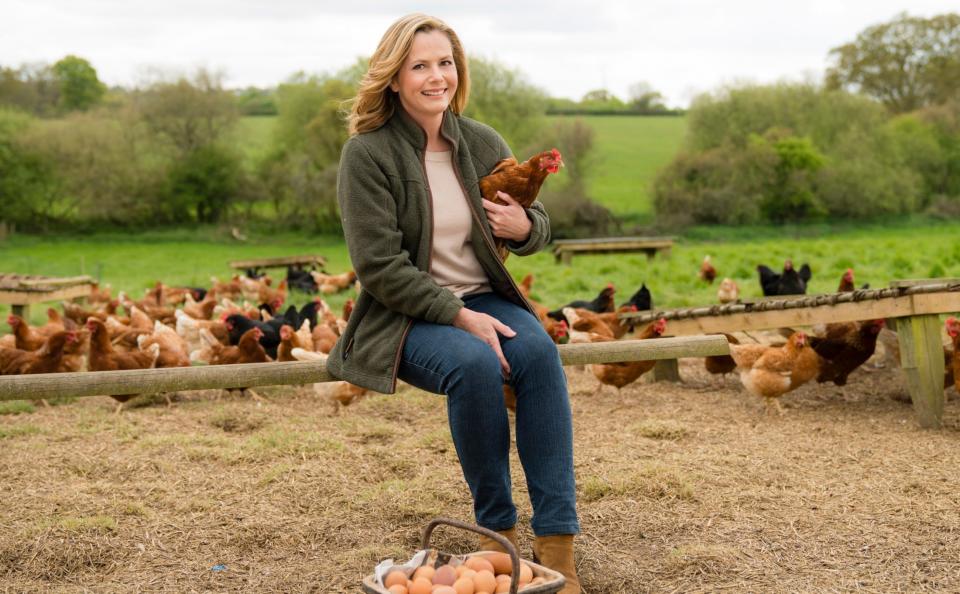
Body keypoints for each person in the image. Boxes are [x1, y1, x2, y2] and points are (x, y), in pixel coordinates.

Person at [330, 13, 580, 592]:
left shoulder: (482, 141)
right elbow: (378, 267)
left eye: (445, 63)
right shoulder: (367, 155)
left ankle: (558, 549)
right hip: (409, 314)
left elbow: (538, 225)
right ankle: (500, 537)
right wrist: (461, 316)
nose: (436, 76)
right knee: (473, 363)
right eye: (420, 66)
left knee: (540, 355)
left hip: (486, 295)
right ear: (394, 78)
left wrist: (524, 227)